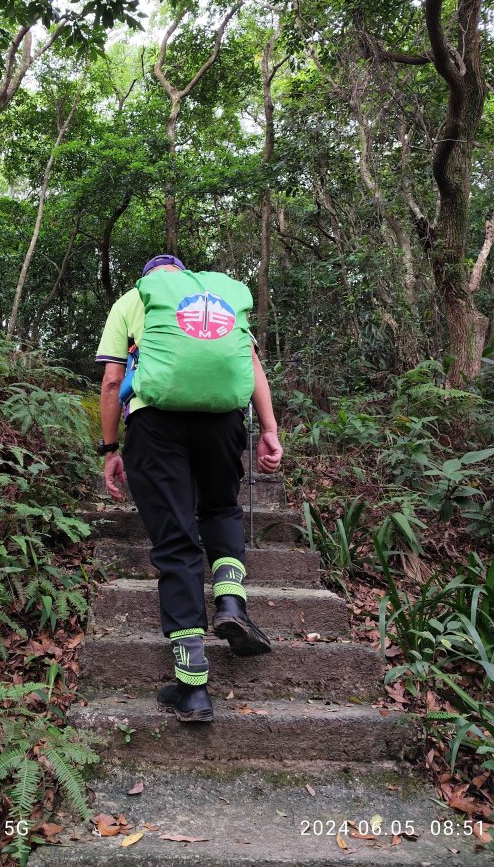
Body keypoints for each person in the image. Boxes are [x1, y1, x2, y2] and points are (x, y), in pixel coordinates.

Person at [96, 254, 283, 723]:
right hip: (221, 421)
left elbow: (113, 378)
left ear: (150, 279)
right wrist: (270, 429)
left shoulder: (133, 299)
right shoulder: (217, 299)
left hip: (154, 423)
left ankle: (194, 689)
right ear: (186, 276)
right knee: (221, 508)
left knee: (175, 539)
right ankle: (231, 601)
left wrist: (110, 447)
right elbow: (253, 366)